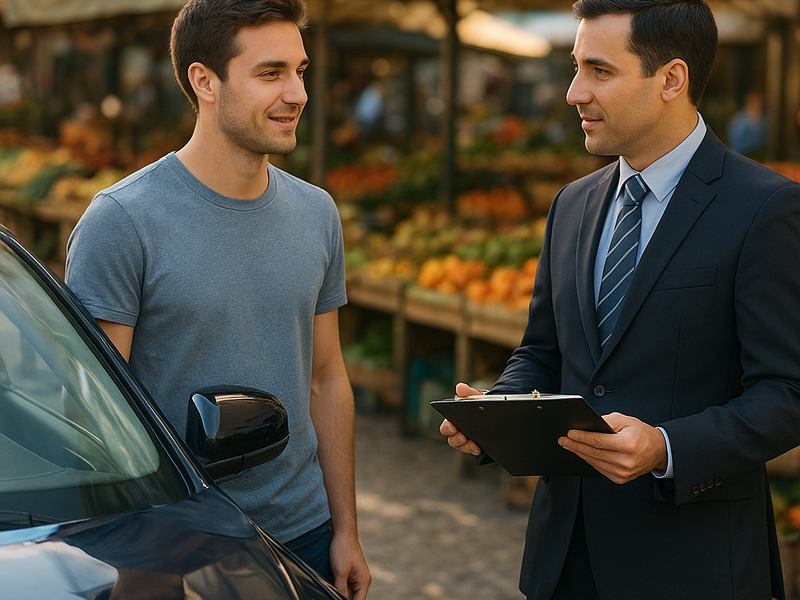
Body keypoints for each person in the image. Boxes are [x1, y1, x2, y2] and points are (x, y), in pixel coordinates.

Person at [440, 1, 800, 599]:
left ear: (671, 80)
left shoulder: (765, 208)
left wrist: (665, 447)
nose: (573, 92)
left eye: (599, 71)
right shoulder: (572, 204)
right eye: (576, 67)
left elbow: (787, 393)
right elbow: (542, 351)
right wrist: (498, 410)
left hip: (694, 567)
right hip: (563, 561)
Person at [65, 1, 371, 598]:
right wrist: (140, 567)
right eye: (270, 73)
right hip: (177, 544)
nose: (297, 92)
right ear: (204, 81)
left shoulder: (317, 213)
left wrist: (346, 530)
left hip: (303, 533)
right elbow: (100, 419)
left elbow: (328, 378)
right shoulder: (122, 222)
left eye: (300, 70)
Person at [726, 91, 769, 157]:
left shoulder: (764, 120)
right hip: (740, 155)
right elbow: (735, 142)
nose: (758, 107)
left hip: (759, 155)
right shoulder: (739, 120)